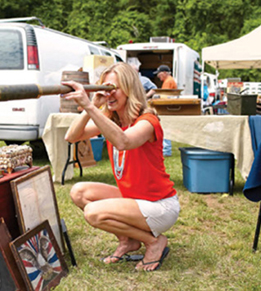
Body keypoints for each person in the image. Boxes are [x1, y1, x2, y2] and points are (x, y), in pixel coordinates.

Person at [62, 62, 180, 271]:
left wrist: (90, 107)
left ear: (129, 89)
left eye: (113, 88)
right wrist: (93, 105)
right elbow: (71, 137)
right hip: (134, 199)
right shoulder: (111, 118)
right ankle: (128, 241)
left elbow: (124, 141)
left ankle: (154, 242)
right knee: (79, 192)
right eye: (105, 89)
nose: (109, 94)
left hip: (159, 206)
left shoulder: (148, 120)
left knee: (93, 213)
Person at [154, 65, 176, 156]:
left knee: (165, 127)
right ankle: (166, 149)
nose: (158, 76)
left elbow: (165, 96)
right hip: (169, 107)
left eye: (159, 74)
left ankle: (166, 150)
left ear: (164, 73)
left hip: (167, 108)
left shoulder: (168, 82)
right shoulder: (169, 80)